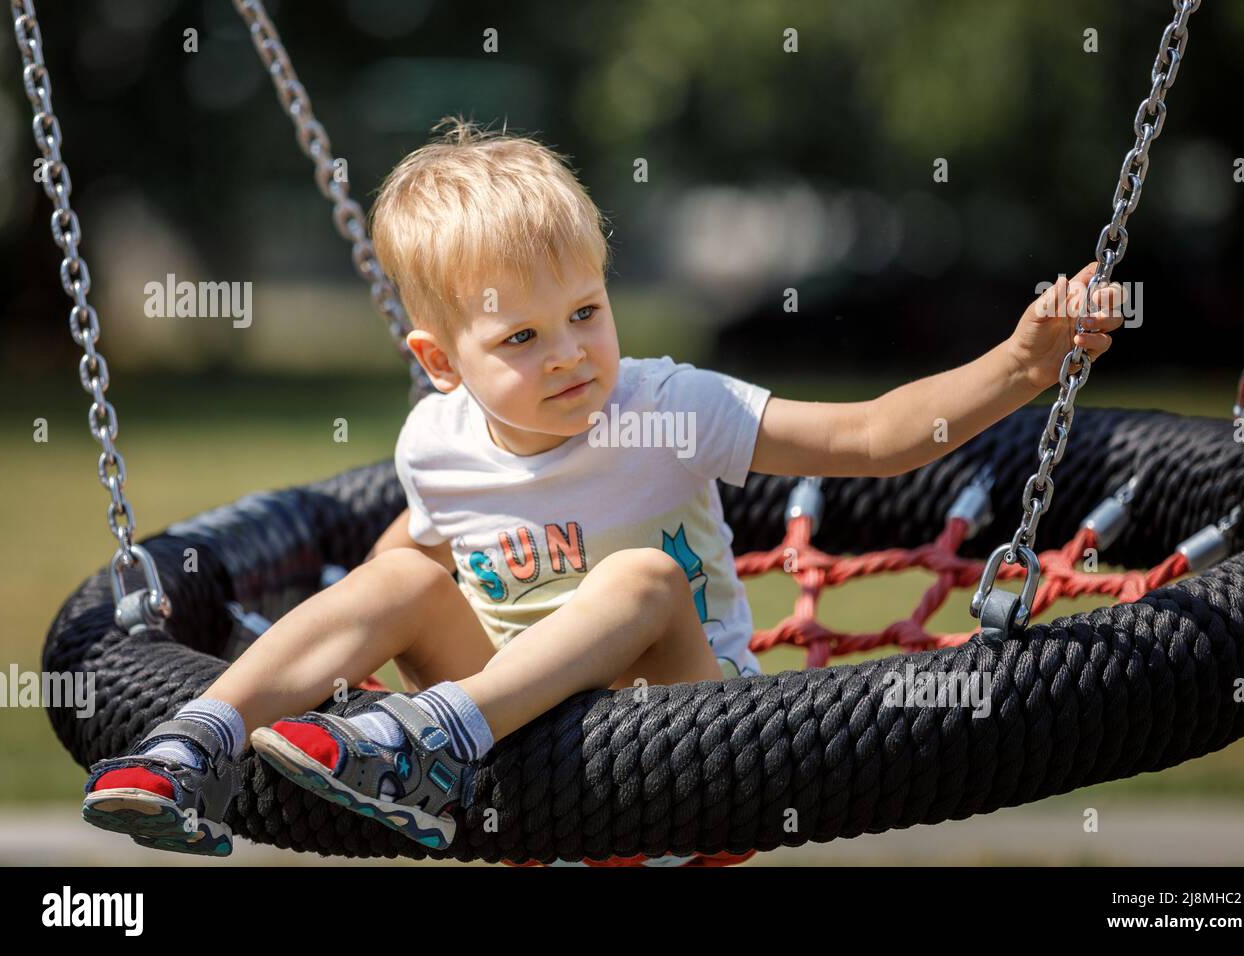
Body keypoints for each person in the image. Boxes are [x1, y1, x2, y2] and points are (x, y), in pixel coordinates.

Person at [80, 115, 1122, 860]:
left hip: (693, 738)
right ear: (442, 362)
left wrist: (1023, 366)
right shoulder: (434, 443)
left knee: (641, 581)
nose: (573, 352)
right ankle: (191, 744)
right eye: (523, 336)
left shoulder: (673, 404)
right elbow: (409, 564)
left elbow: (867, 436)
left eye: (587, 310)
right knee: (390, 575)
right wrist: (343, 651)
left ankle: (428, 742)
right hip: (523, 738)